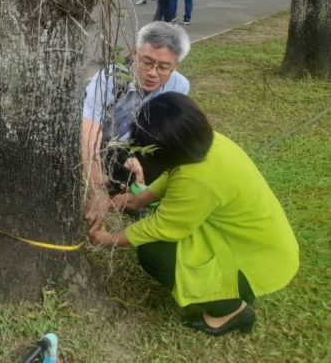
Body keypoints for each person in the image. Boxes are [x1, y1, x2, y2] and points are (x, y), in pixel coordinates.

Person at [89, 93, 299, 336]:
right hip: (257, 245)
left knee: (154, 252)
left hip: (256, 262)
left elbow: (163, 227)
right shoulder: (207, 144)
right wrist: (139, 200)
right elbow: (174, 174)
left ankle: (232, 308)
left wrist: (111, 239)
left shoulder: (198, 179)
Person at [82, 22, 190, 229]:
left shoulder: (179, 85)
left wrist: (138, 158)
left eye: (164, 67)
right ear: (134, 53)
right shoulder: (109, 79)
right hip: (101, 141)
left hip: (134, 142)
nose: (152, 73)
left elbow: (166, 131)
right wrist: (96, 190)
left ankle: (131, 196)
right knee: (118, 172)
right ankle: (113, 189)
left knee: (165, 174)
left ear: (175, 66)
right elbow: (89, 132)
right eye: (146, 62)